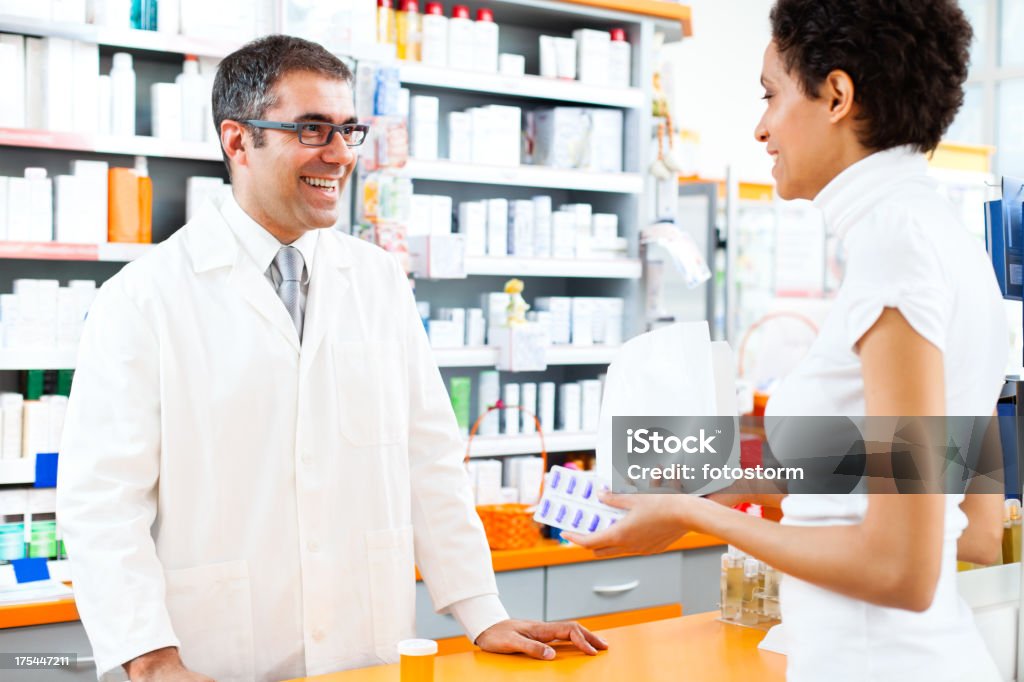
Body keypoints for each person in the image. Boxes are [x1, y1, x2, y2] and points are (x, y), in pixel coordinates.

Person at [56, 35, 605, 682]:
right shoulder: (143, 299)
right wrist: (149, 659)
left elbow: (427, 457)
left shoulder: (376, 281)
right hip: (220, 657)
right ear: (238, 141)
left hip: (363, 650)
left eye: (349, 130)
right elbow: (102, 502)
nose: (341, 154)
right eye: (312, 130)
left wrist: (482, 611)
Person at [568, 2, 1007, 681]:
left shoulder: (895, 246)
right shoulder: (947, 240)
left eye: (771, 95)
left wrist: (693, 513)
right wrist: (721, 490)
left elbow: (901, 570)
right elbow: (970, 523)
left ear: (837, 95)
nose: (761, 127)